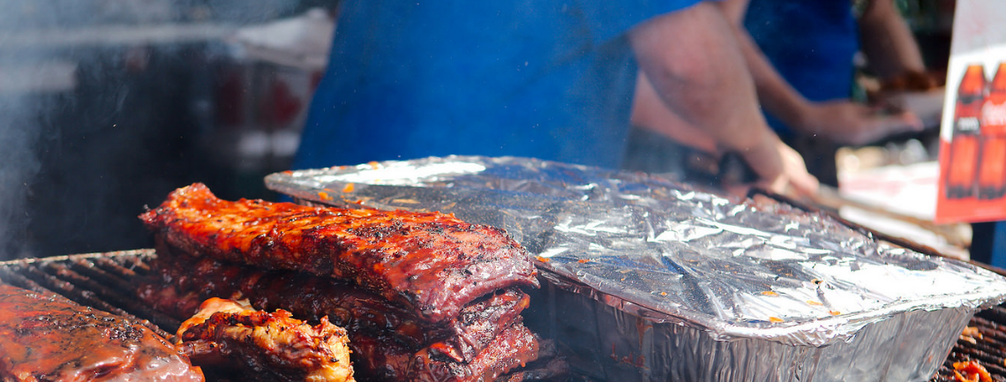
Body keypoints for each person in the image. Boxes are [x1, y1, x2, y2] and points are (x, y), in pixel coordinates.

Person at [295, 1, 817, 197]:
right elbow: (687, 61)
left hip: (335, 181)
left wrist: (723, 139)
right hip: (456, 208)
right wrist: (760, 148)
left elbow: (554, 58)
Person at [627, 0, 927, 186]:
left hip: (810, 137)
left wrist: (916, 86)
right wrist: (799, 116)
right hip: (745, 134)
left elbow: (877, 12)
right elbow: (706, 34)